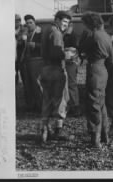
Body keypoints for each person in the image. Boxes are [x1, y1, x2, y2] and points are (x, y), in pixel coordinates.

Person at [80, 12, 113, 148]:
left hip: (94, 69)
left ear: (90, 24)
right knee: (101, 103)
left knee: (93, 103)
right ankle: (105, 135)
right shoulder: (106, 35)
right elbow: (111, 59)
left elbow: (81, 48)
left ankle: (95, 139)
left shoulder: (93, 35)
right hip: (103, 70)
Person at [39, 10, 71, 143]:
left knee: (46, 99)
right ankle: (59, 130)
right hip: (56, 69)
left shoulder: (47, 30)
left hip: (45, 70)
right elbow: (56, 53)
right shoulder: (57, 33)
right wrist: (67, 55)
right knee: (60, 99)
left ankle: (44, 130)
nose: (65, 25)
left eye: (67, 23)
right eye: (64, 21)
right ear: (57, 20)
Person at [21, 14, 43, 112]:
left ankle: (41, 106)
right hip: (27, 61)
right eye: (27, 23)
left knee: (37, 83)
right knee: (29, 84)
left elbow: (45, 45)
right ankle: (32, 105)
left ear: (35, 23)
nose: (29, 25)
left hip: (37, 60)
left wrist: (36, 45)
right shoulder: (26, 34)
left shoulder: (40, 32)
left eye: (30, 22)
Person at [63, 22, 81, 117]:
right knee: (66, 84)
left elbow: (76, 48)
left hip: (71, 62)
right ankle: (69, 106)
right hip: (66, 62)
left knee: (71, 84)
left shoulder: (73, 35)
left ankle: (75, 106)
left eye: (67, 25)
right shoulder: (64, 35)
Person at [15, 14, 26, 85]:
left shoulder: (24, 29)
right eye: (15, 20)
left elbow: (22, 41)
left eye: (19, 20)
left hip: (21, 55)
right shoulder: (8, 29)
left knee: (23, 74)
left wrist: (15, 38)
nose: (17, 22)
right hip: (12, 56)